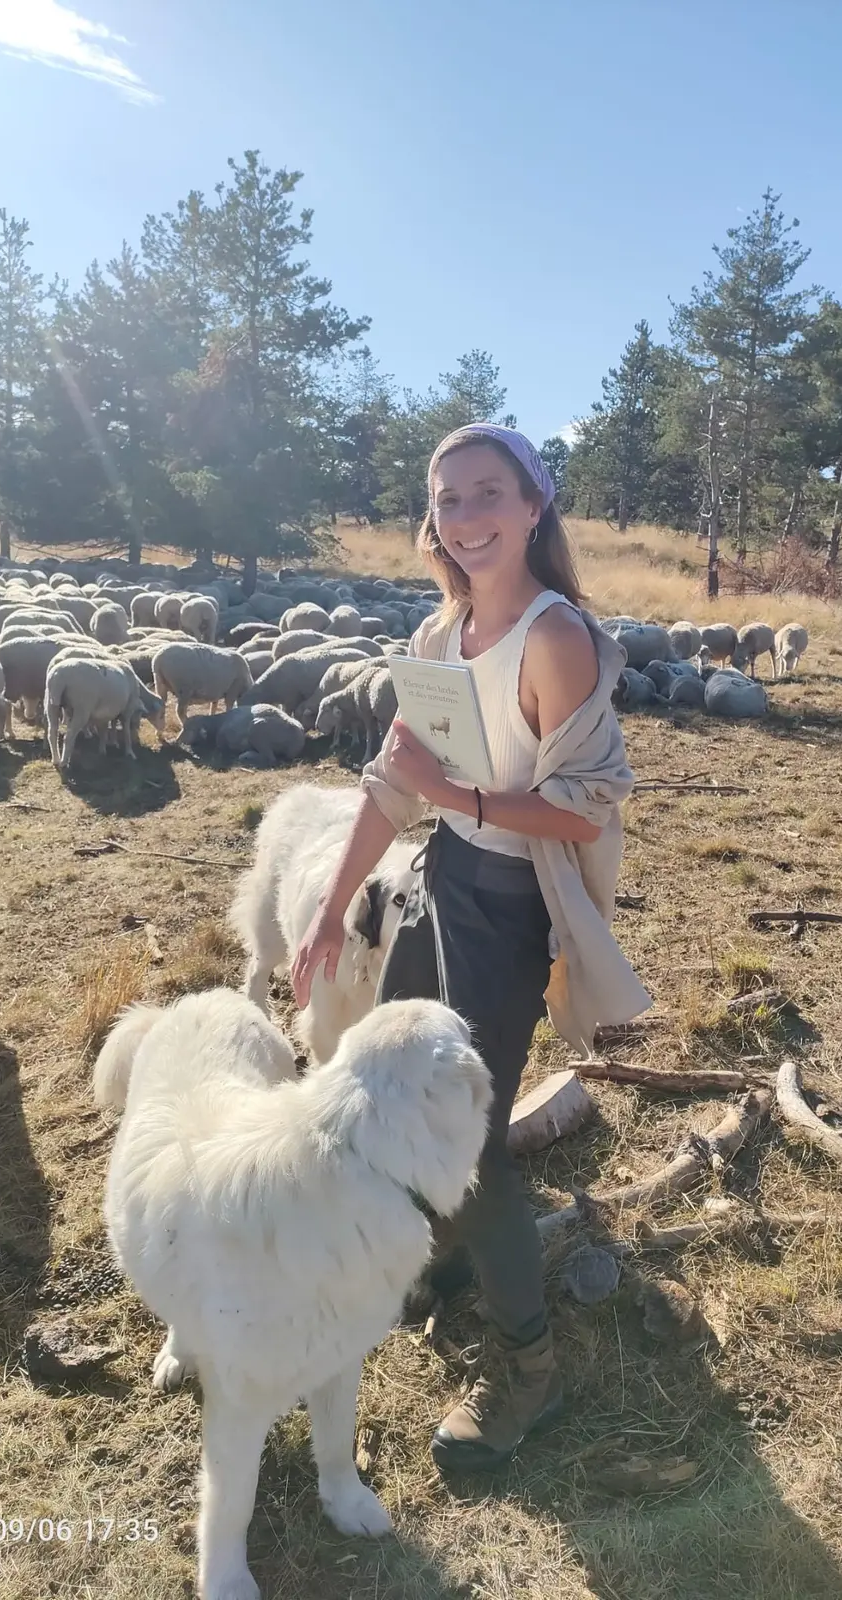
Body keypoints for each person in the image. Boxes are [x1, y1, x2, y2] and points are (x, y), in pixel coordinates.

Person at [292, 423, 650, 1473]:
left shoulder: (554, 635)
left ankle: (526, 1366)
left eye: (487, 493)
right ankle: (439, 1260)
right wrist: (329, 906)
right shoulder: (440, 638)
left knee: (474, 1140)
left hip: (509, 908)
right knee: (389, 1091)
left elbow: (584, 810)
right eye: (447, 499)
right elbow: (394, 784)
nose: (465, 516)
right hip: (440, 888)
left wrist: (459, 795)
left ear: (535, 504)